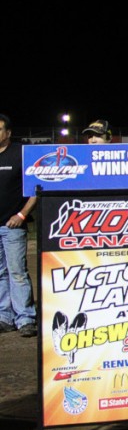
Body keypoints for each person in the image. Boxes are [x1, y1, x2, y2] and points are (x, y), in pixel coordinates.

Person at [0, 114, 38, 337]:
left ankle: (25, 318)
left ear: (8, 133)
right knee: (0, 274)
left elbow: (35, 189)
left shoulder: (20, 154)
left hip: (13, 227)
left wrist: (22, 215)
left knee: (18, 272)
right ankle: (4, 317)